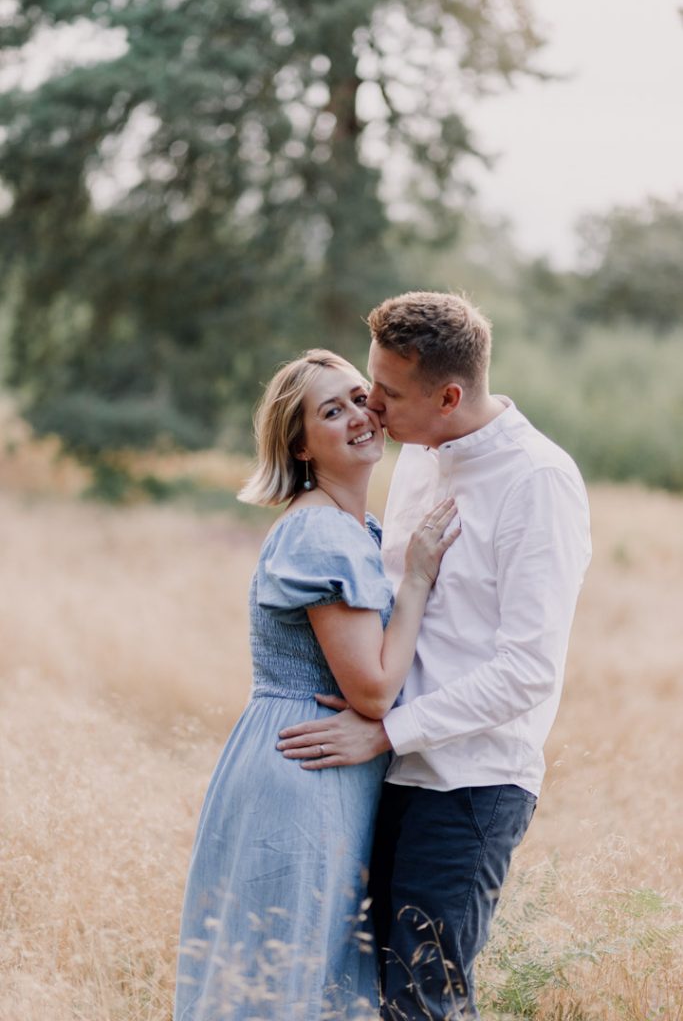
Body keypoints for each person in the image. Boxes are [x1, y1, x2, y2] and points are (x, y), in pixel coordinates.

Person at [276, 292, 592, 1020]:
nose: (371, 409)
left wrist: (385, 730)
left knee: (422, 1005)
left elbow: (527, 671)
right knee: (354, 996)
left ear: (448, 395)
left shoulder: (536, 481)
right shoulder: (419, 457)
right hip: (379, 774)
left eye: (385, 394)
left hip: (468, 787)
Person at [174, 348, 459, 1021]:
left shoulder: (352, 527)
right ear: (301, 443)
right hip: (303, 770)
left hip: (321, 765)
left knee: (307, 976)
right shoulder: (322, 535)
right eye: (332, 411)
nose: (359, 416)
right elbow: (371, 692)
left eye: (360, 398)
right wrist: (416, 577)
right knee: (282, 979)